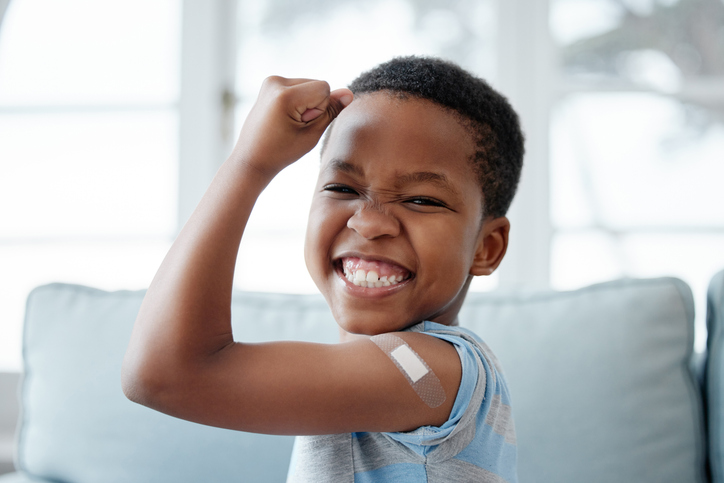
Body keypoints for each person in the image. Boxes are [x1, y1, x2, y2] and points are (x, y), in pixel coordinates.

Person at [122, 56, 524, 483]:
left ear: (487, 247)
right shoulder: (388, 376)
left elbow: (165, 374)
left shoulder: (431, 371)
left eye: (421, 200)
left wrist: (250, 163)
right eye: (342, 188)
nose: (368, 222)